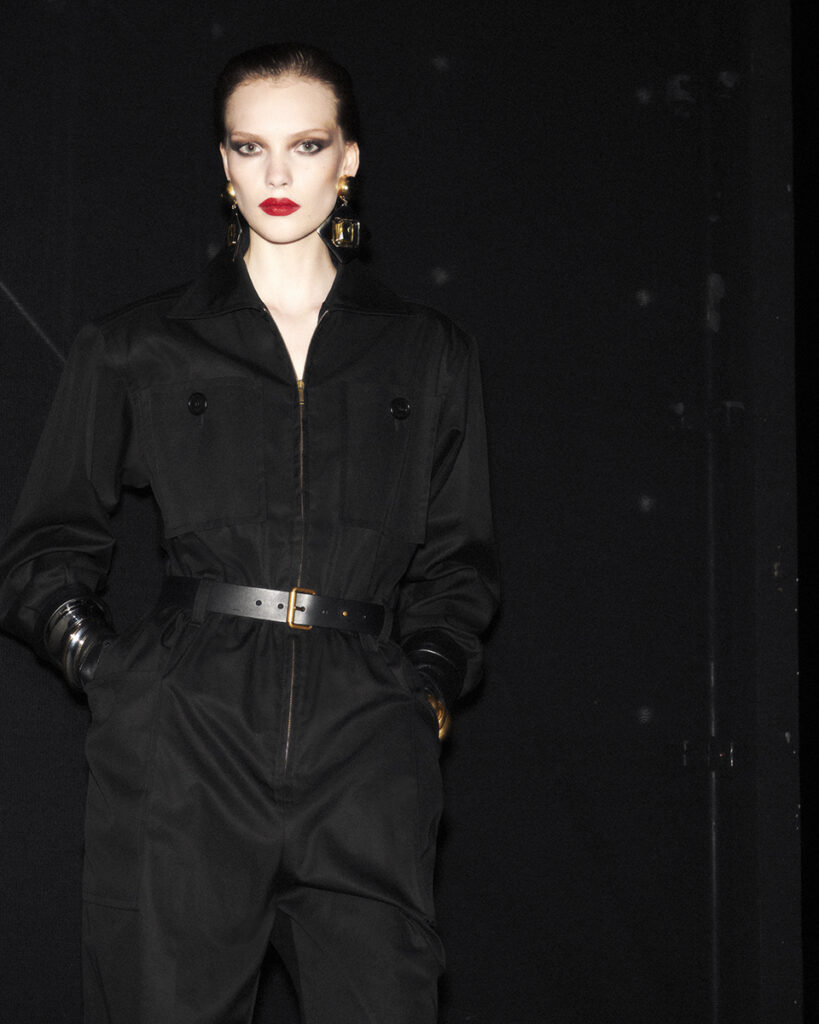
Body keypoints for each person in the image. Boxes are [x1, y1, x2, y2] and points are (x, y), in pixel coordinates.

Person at [0, 43, 498, 1024]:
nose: (277, 173)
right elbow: (42, 546)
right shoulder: (140, 343)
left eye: (306, 145)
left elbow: (459, 556)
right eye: (248, 146)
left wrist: (428, 684)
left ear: (348, 159)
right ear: (223, 164)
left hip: (366, 733)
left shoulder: (426, 351)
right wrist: (111, 673)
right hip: (185, 731)